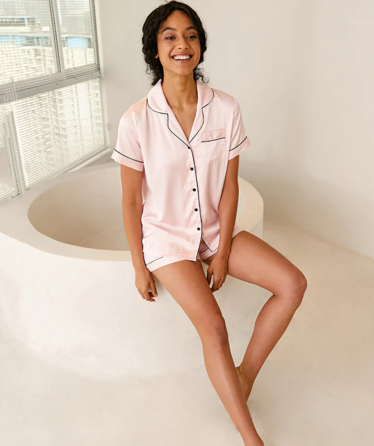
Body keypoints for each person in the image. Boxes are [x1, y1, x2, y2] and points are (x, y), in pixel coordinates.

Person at [111, 2, 306, 445]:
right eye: (170, 36)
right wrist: (139, 264)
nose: (183, 44)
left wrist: (221, 252)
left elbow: (230, 187)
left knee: (293, 284)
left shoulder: (226, 108)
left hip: (216, 232)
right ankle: (250, 438)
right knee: (214, 327)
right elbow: (129, 200)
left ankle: (244, 377)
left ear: (200, 46)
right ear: (155, 50)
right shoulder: (136, 120)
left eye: (191, 35)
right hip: (168, 238)